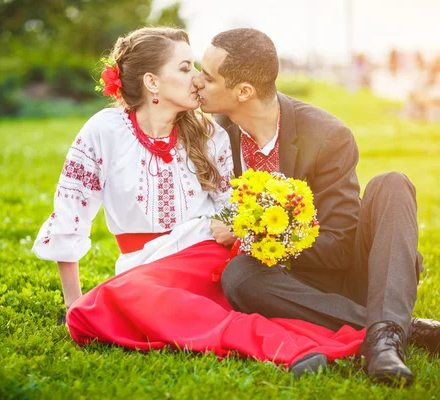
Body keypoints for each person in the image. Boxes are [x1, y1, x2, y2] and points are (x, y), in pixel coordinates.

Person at [32, 27, 365, 376]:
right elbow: (69, 216)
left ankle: (285, 348)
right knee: (91, 312)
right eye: (185, 69)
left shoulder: (210, 132)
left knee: (113, 300)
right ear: (152, 82)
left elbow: (229, 206)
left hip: (207, 257)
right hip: (145, 267)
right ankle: (308, 343)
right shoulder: (104, 131)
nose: (197, 80)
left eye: (198, 71)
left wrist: (241, 224)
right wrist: (72, 302)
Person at [194, 28, 440, 385]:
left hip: (351, 274)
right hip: (289, 289)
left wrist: (257, 231)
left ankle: (383, 343)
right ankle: (398, 328)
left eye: (207, 76)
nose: (197, 81)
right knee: (239, 275)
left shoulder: (327, 135)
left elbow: (339, 247)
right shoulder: (215, 136)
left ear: (243, 91)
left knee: (392, 184)